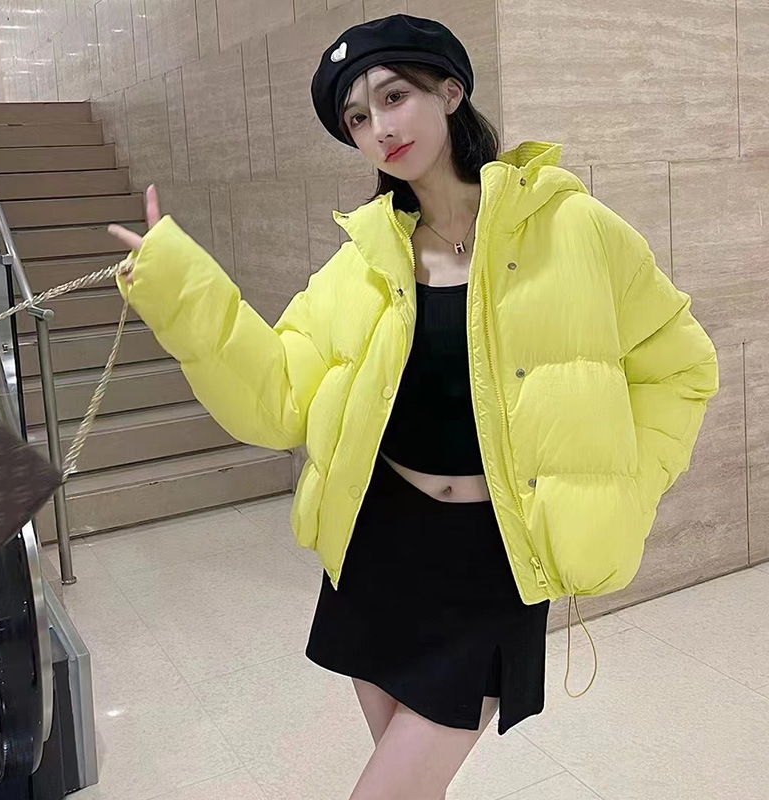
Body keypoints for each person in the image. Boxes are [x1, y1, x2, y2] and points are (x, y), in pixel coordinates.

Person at [108, 14, 719, 800]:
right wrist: (182, 296)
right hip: (378, 549)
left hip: (494, 562)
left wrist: (623, 487)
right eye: (358, 118)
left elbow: (682, 367)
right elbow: (278, 399)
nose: (380, 129)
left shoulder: (573, 228)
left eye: (394, 97)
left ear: (451, 93)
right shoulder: (364, 264)